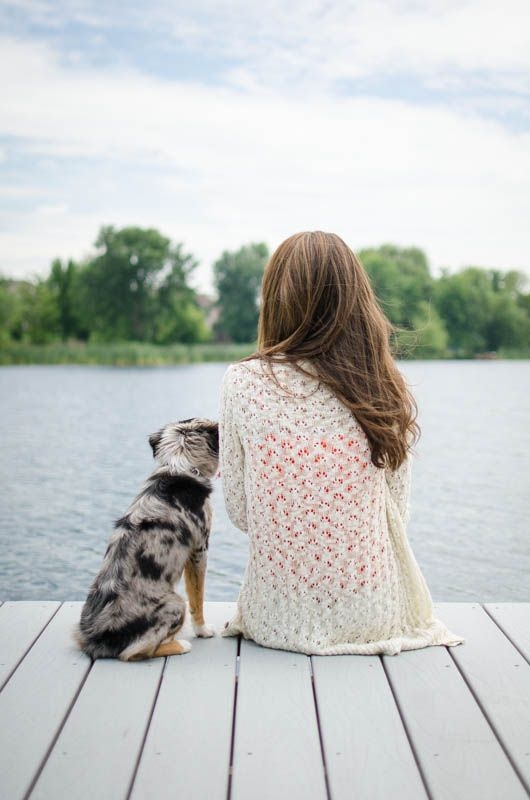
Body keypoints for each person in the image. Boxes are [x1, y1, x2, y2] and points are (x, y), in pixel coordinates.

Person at [218, 231, 463, 655]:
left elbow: (242, 514)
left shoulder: (242, 383)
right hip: (372, 612)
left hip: (276, 616)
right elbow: (397, 514)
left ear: (275, 299)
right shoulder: (382, 383)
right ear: (355, 299)